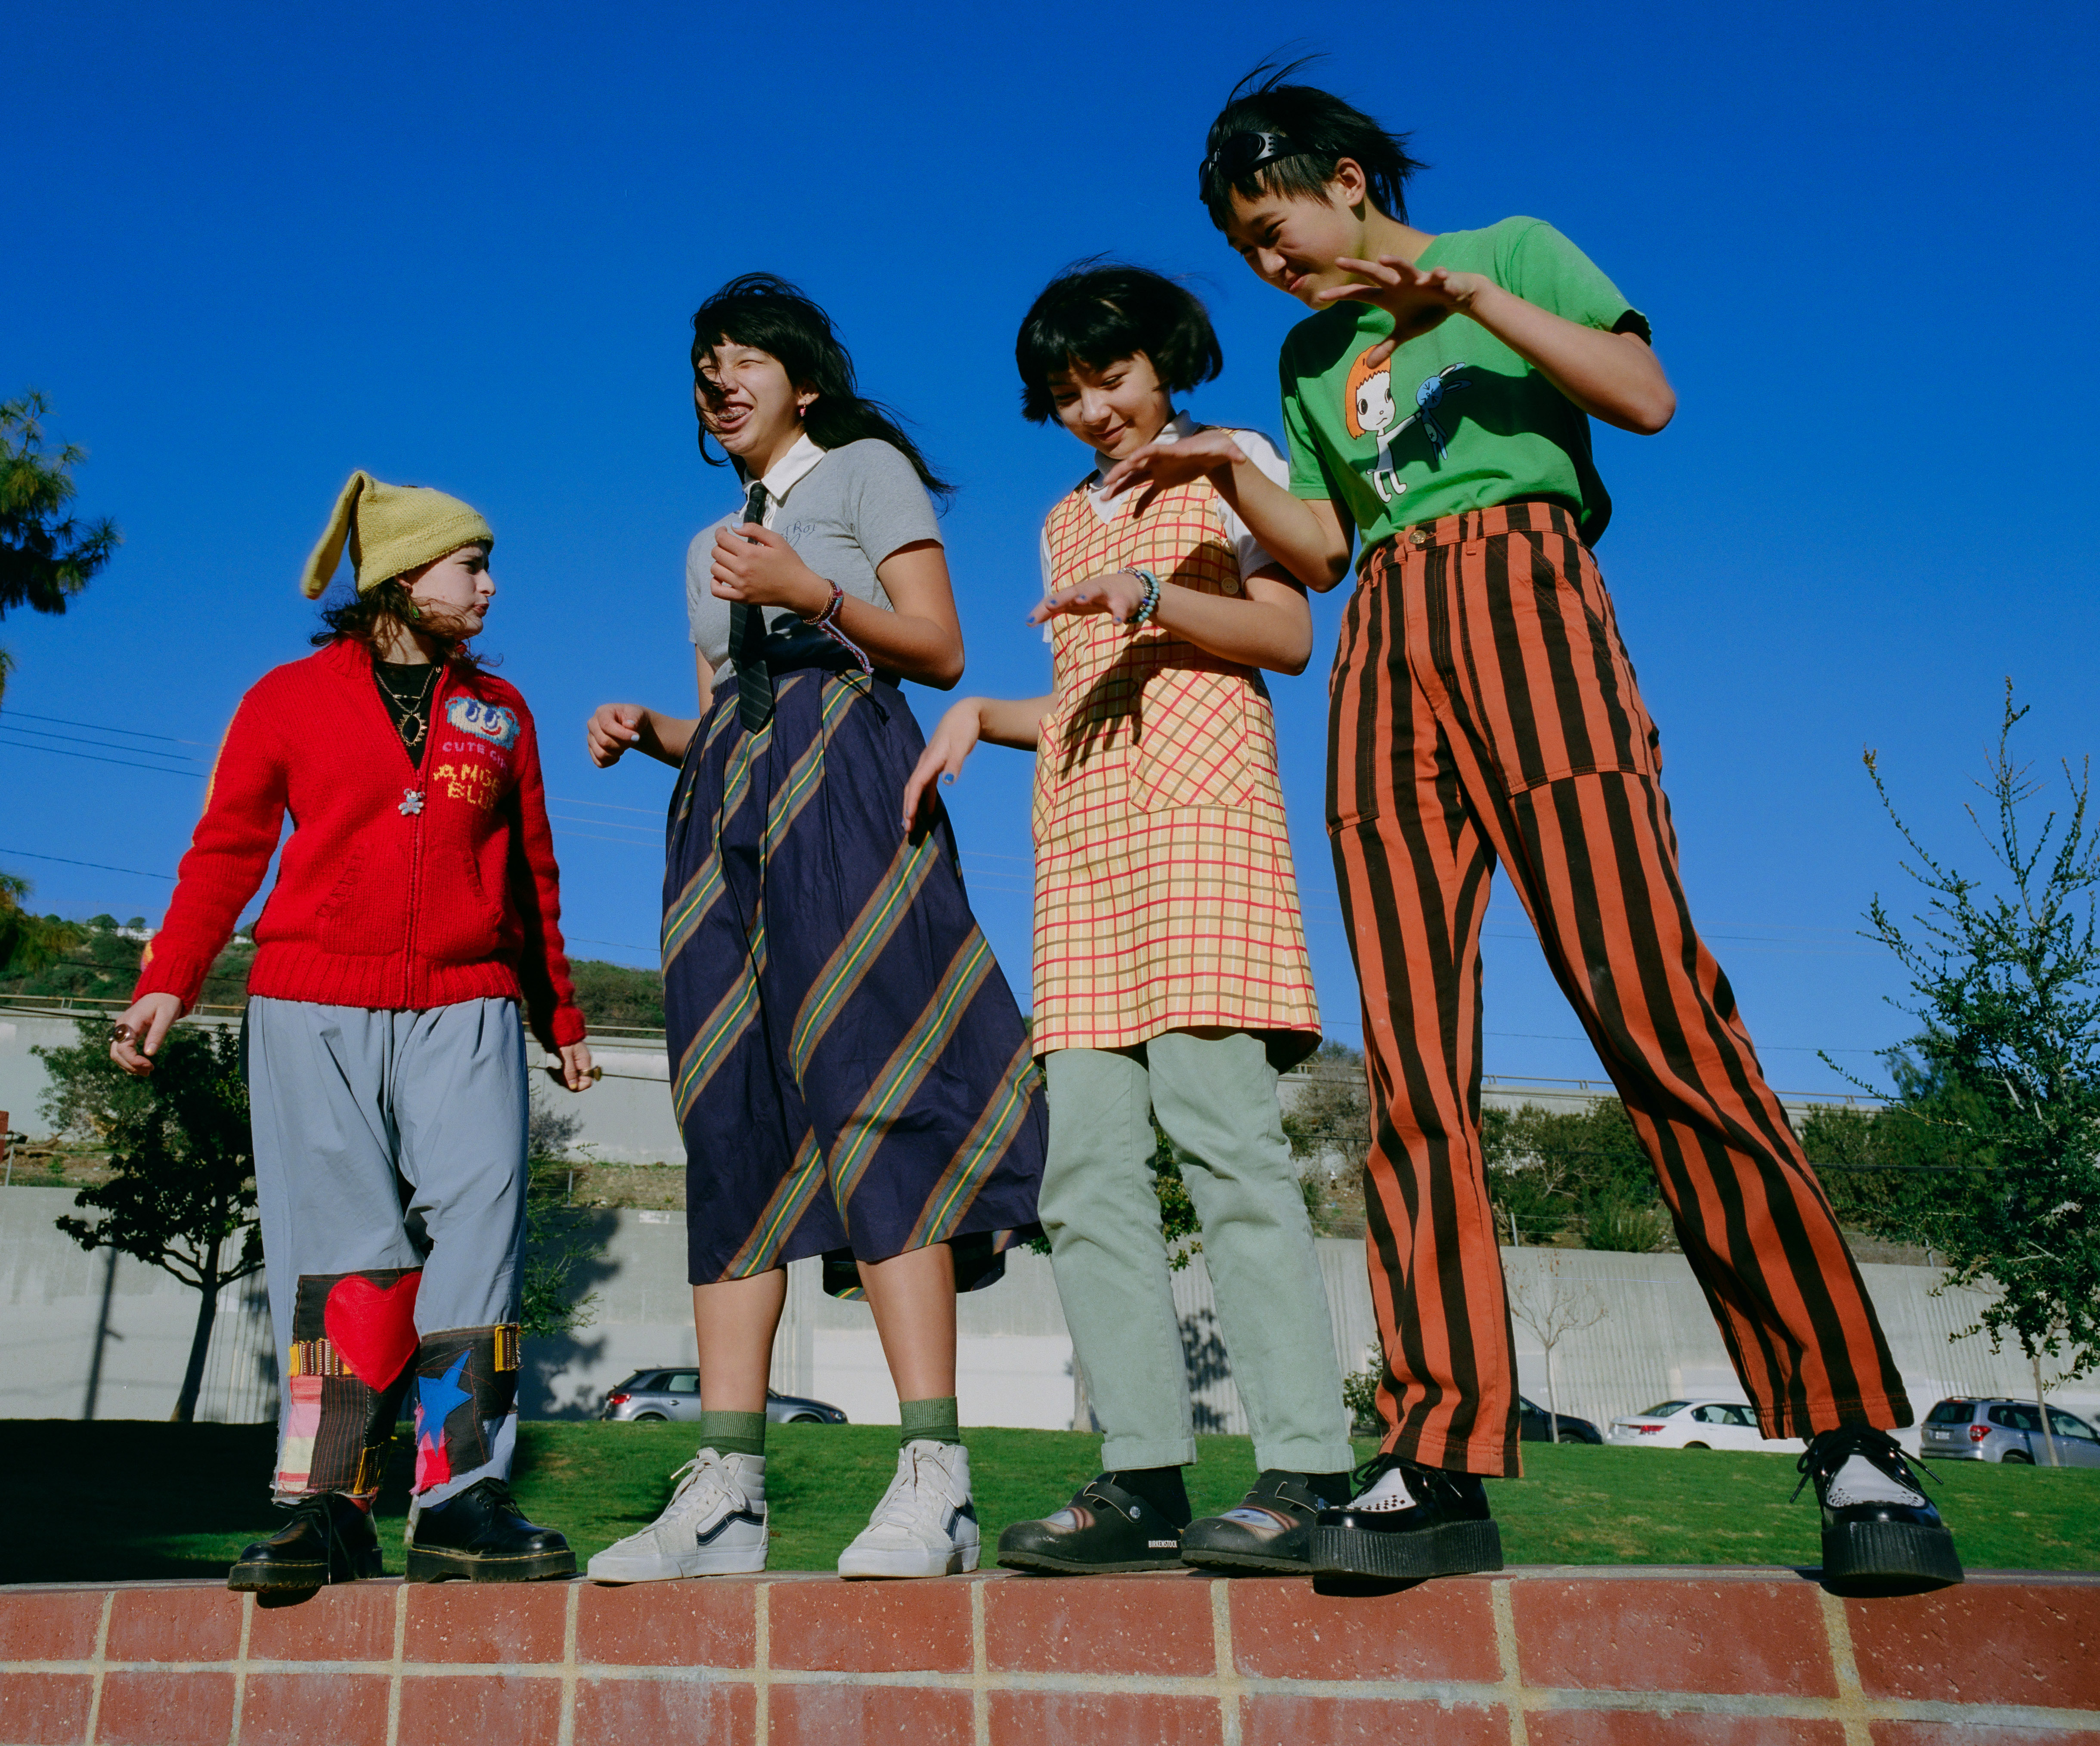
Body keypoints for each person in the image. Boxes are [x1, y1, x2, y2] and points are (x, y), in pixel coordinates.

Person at [1099, 66, 1961, 1589]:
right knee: (1413, 1073)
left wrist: (1470, 298)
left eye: (1271, 220)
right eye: (1240, 243)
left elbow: (1644, 397)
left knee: (1660, 1019)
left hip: (1530, 605)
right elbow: (1333, 540)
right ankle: (1436, 1459)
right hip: (1386, 657)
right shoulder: (1311, 358)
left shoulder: (1517, 248)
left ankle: (1852, 1442)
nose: (1265, 258)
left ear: (1347, 175)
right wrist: (1230, 464)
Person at [584, 274, 1046, 1584]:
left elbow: (941, 651)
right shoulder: (701, 546)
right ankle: (726, 1490)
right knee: (729, 1117)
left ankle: (937, 1479)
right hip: (725, 814)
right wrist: (651, 732)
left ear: (805, 382)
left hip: (850, 786)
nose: (718, 383)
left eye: (743, 362)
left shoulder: (864, 475)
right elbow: (725, 711)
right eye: (703, 369)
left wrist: (808, 589)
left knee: (876, 1095)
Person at [903, 264, 1355, 1576]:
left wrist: (1153, 597)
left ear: (1164, 361)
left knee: (1226, 1147)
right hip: (1085, 853)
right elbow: (1091, 696)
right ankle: (1144, 1478)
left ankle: (1308, 1473)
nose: (1092, 409)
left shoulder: (1229, 461)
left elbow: (1286, 632)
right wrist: (986, 715)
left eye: (1110, 379)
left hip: (1203, 831)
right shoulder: (1060, 522)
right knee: (1087, 1175)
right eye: (1064, 394)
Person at [112, 471, 595, 1591]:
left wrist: (557, 1010)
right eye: (471, 565)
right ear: (403, 575)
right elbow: (228, 848)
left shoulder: (501, 712)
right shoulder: (286, 700)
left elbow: (531, 878)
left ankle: (462, 1498)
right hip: (311, 1006)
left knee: (478, 1244)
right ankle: (326, 1505)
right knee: (344, 1266)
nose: (491, 586)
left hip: (468, 1005)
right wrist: (171, 977)